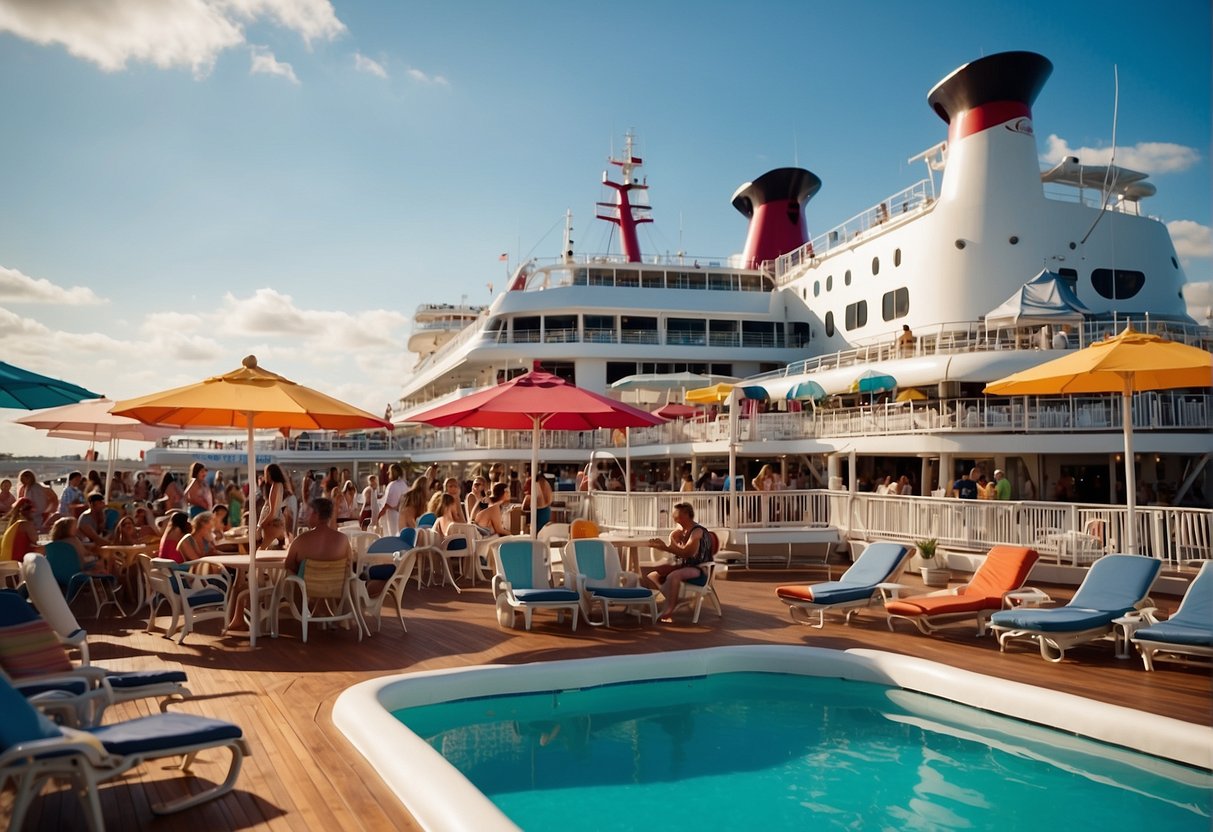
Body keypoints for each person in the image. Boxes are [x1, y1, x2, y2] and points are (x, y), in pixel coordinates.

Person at [643, 502, 713, 623]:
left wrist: (665, 547)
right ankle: (672, 599)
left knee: (673, 576)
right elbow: (677, 552)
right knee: (648, 573)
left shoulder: (697, 532)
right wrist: (671, 538)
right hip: (683, 566)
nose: (673, 515)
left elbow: (687, 553)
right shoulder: (681, 531)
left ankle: (670, 607)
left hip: (699, 569)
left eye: (676, 512)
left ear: (686, 514)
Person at [283, 497, 353, 577]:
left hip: (306, 588)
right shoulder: (343, 540)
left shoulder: (300, 541)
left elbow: (288, 566)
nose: (306, 516)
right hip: (335, 588)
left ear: (315, 514)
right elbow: (349, 565)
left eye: (308, 512)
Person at [257, 463, 289, 547]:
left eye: (266, 473)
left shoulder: (275, 486)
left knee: (262, 547)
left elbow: (272, 510)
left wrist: (261, 525)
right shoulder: (279, 485)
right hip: (275, 519)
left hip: (270, 520)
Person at [378, 463, 408, 536]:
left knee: (391, 535)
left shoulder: (393, 485)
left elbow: (388, 504)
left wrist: (378, 516)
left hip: (393, 516)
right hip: (402, 514)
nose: (388, 474)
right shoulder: (404, 484)